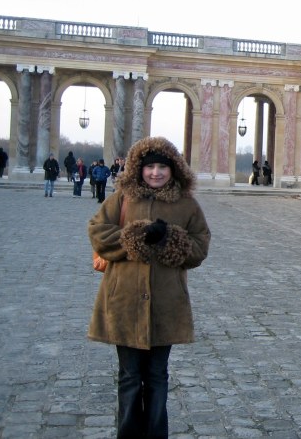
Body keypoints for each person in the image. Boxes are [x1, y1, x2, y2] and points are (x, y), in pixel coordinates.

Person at [88, 136, 210, 439]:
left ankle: (157, 435)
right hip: (124, 302)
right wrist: (135, 236)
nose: (156, 173)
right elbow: (98, 233)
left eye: (162, 167)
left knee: (157, 376)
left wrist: (171, 238)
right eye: (150, 167)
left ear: (174, 170)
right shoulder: (122, 199)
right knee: (129, 377)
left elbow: (200, 247)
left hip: (165, 304)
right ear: (138, 169)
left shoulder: (187, 204)